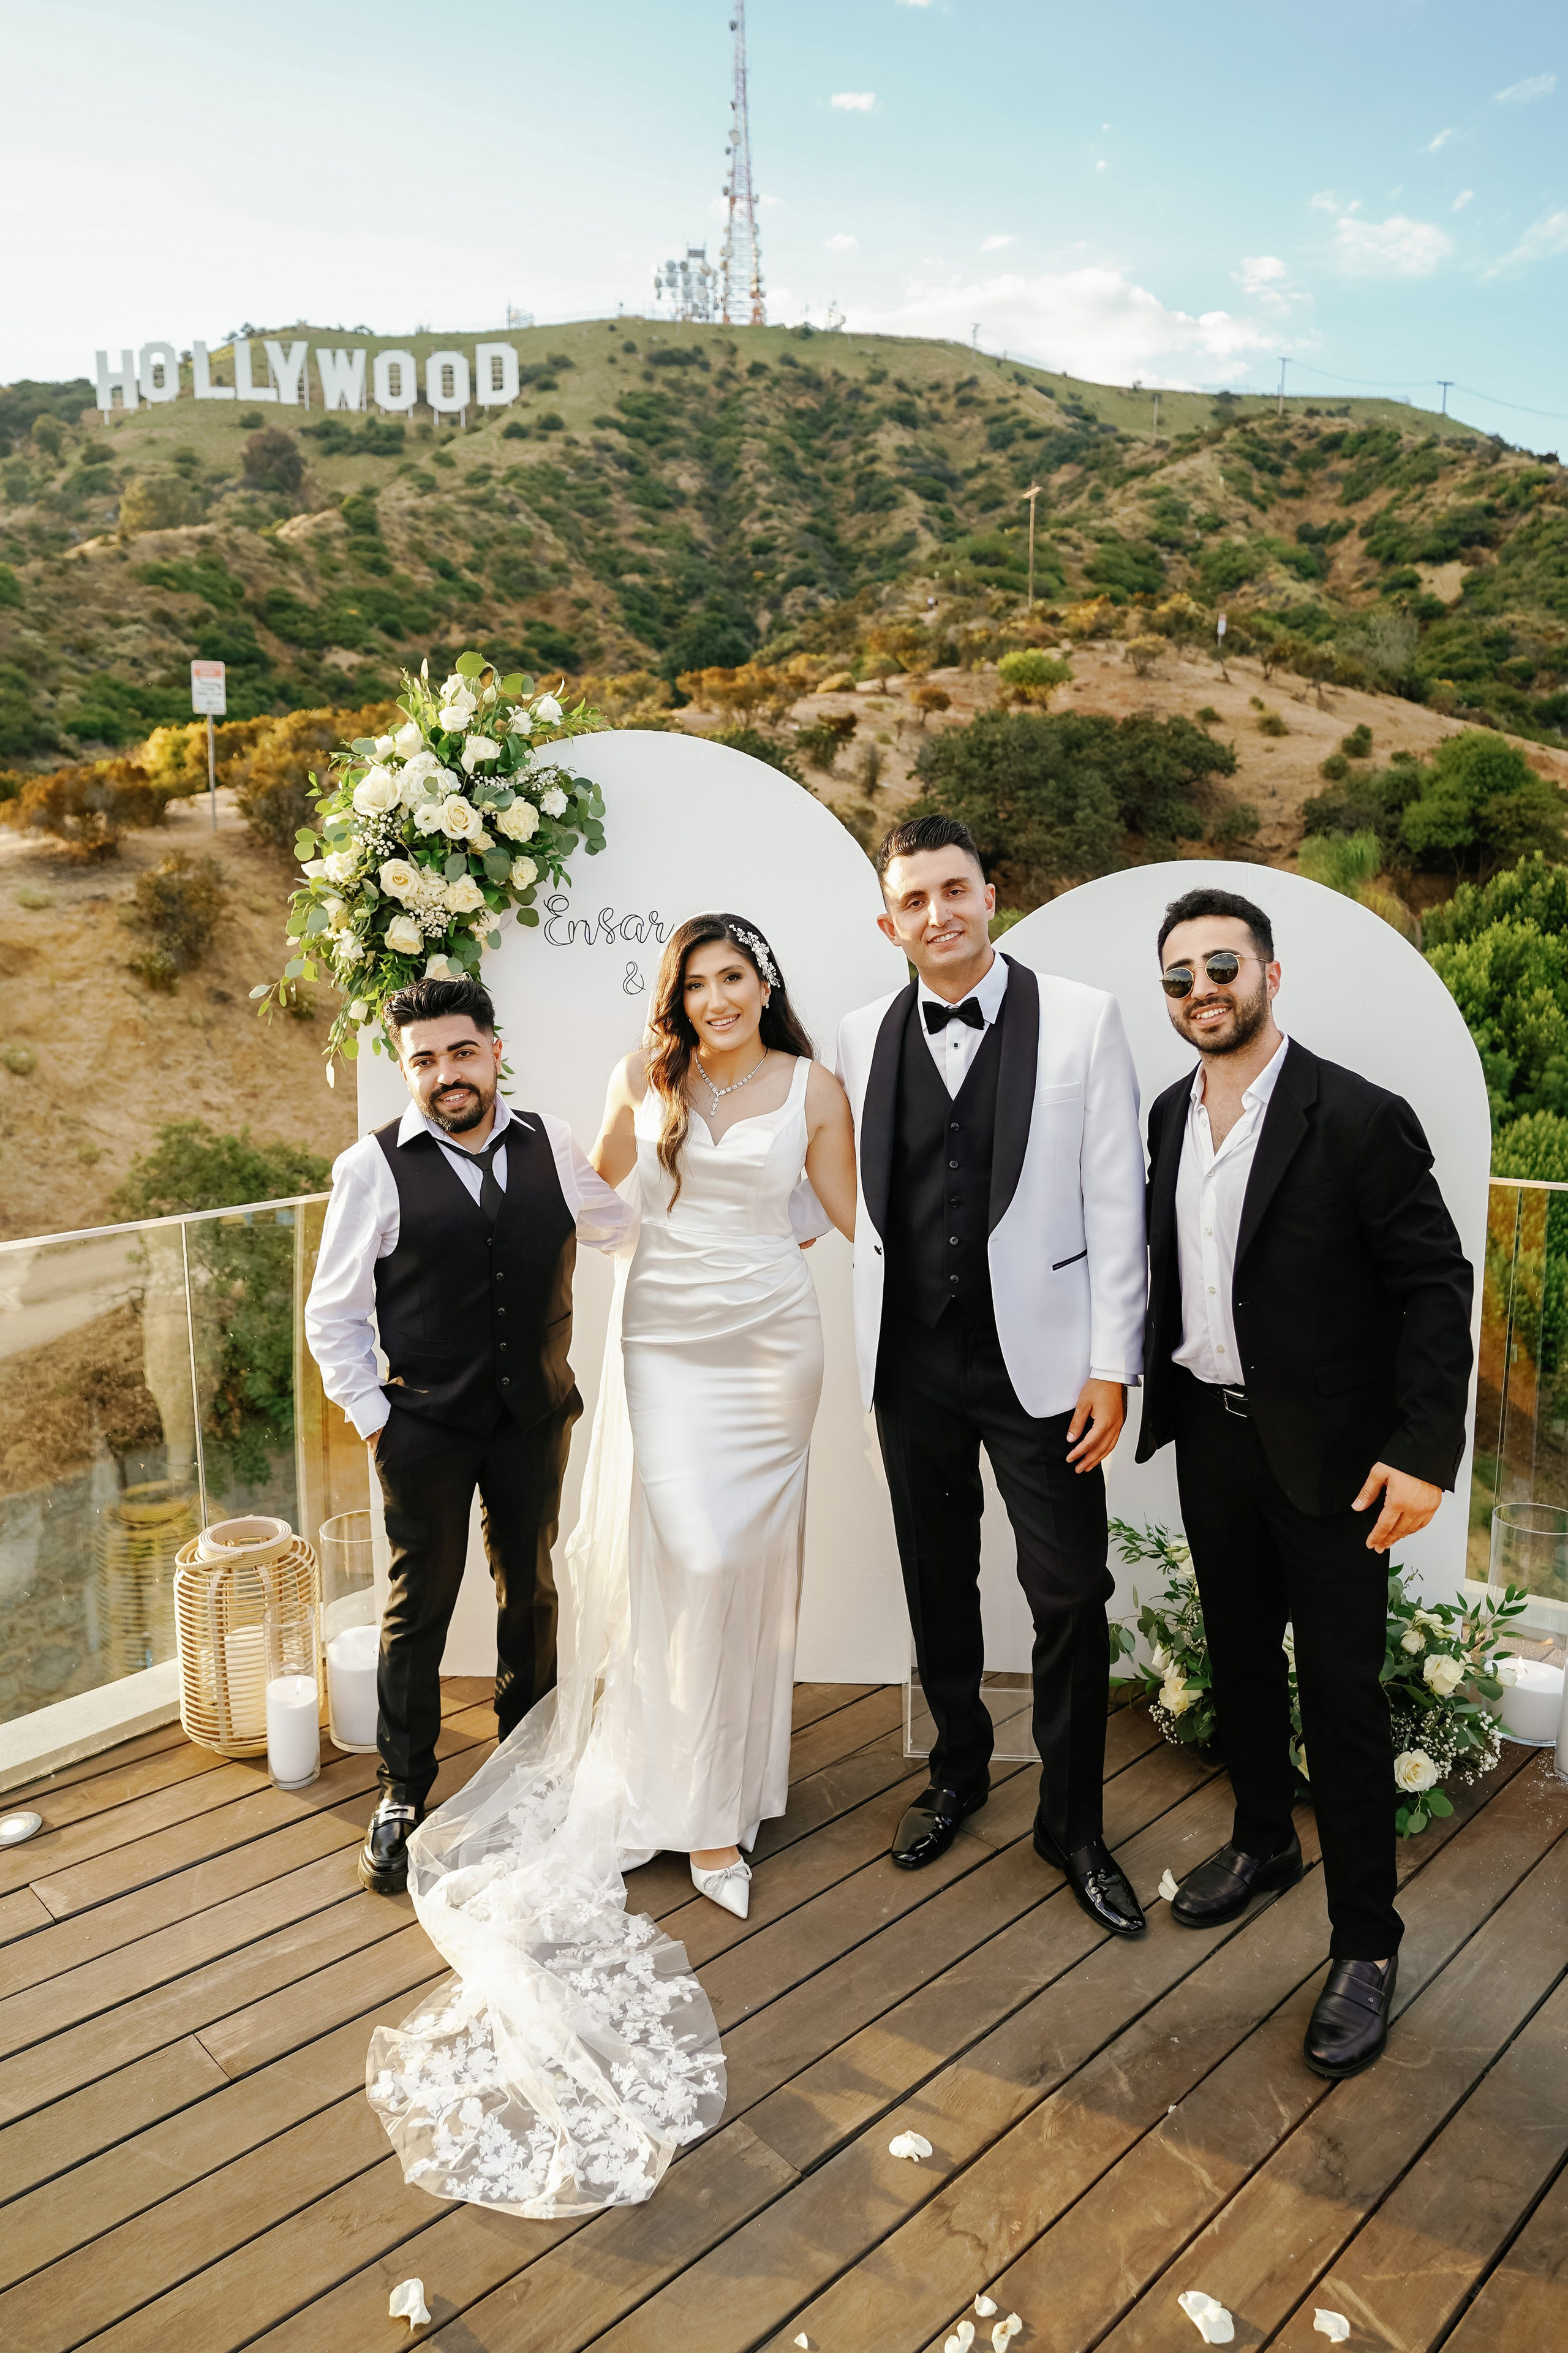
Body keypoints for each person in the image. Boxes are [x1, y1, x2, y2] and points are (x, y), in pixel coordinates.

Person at [363, 918, 858, 2219]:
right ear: (678, 1000)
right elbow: (575, 1206)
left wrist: (757, 1251)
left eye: (735, 977)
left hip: (770, 1348)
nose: (717, 997)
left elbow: (836, 1211)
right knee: (684, 1556)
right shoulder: (645, 1087)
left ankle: (731, 1792)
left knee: (744, 1567)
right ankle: (676, 1799)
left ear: (765, 986)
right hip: (667, 1347)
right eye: (696, 983)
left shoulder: (817, 1087)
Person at [1138, 885, 1473, 2080]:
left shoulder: (1355, 1116)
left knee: (1340, 1702)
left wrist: (1422, 1451)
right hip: (1212, 1443)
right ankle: (1259, 1841)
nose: (1199, 991)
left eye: (1218, 966)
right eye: (1176, 977)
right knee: (1236, 1663)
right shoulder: (1165, 1117)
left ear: (1268, 973)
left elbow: (1435, 1285)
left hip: (1332, 1463)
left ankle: (1365, 1947)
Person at [836, 815, 1150, 1937]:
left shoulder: (1082, 1018)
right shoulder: (858, 1030)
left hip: (1050, 1361)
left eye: (954, 890)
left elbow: (1118, 1206)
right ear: (890, 921)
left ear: (991, 893)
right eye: (914, 900)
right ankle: (957, 1769)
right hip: (909, 1358)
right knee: (937, 1574)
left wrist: (1115, 1366)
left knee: (1071, 1593)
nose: (938, 914)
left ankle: (1073, 1823)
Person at [304, 973, 631, 1897]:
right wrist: (380, 1423)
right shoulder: (369, 1168)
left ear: (493, 1050)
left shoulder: (554, 1144)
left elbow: (619, 1227)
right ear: (407, 1070)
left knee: (529, 1587)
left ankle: (531, 1759)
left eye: (460, 1051)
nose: (446, 1073)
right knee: (421, 1607)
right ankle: (404, 1787)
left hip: (534, 1415)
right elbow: (333, 1317)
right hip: (426, 1431)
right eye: (424, 1060)